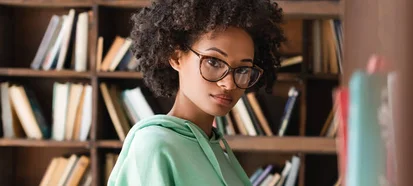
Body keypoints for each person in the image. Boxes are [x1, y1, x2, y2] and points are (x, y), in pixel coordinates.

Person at [107, 0, 285, 185]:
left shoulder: (218, 150)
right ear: (176, 57)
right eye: (214, 62)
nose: (229, 83)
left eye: (242, 69)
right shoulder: (154, 145)